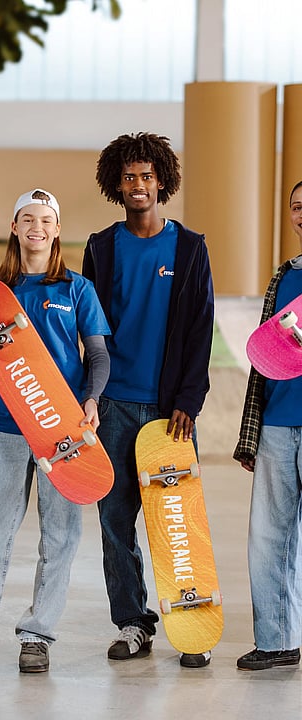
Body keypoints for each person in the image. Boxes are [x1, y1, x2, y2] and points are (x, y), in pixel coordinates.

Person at [0, 188, 110, 673]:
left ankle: (38, 634)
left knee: (60, 536)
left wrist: (91, 400)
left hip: (62, 431)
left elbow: (99, 355)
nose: (37, 228)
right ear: (15, 228)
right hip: (6, 427)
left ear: (57, 229)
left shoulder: (77, 290)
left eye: (46, 219)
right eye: (27, 219)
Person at [82, 132, 215, 668]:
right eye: (129, 177)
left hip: (169, 411)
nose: (138, 186)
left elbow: (201, 328)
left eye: (147, 176)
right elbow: (85, 331)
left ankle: (194, 626)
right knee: (116, 523)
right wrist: (90, 398)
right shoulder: (101, 246)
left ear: (163, 182)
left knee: (177, 519)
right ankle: (133, 623)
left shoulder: (189, 247)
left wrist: (189, 397)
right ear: (117, 184)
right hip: (112, 404)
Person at [232, 179, 302, 671]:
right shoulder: (285, 276)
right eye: (297, 207)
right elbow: (264, 358)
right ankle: (277, 641)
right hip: (277, 421)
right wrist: (251, 434)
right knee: (268, 537)